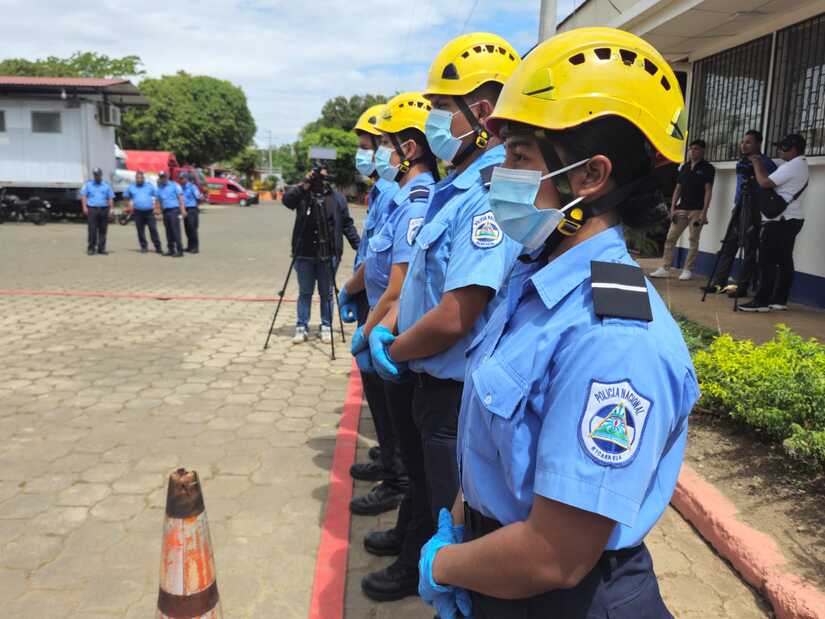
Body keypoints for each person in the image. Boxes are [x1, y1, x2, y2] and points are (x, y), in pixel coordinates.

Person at [416, 28, 700, 619]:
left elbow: (555, 557)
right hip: (502, 569)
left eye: (519, 155)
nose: (499, 174)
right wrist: (465, 524)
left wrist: (441, 565)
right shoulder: (534, 280)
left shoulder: (614, 337)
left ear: (590, 177)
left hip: (566, 598)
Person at [366, 32, 522, 601]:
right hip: (429, 377)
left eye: (439, 107)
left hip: (451, 390)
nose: (432, 120)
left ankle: (429, 577)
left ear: (479, 113)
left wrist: (393, 347)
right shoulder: (457, 186)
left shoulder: (486, 194)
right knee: (426, 487)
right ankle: (414, 557)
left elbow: (457, 314)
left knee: (444, 511)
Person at [344, 92, 441, 601]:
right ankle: (408, 535)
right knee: (409, 451)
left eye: (380, 145)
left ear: (405, 147)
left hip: (402, 339)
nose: (374, 154)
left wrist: (369, 334)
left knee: (416, 461)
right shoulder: (399, 195)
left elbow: (403, 289)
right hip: (390, 330)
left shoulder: (419, 202)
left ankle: (414, 558)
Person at [338, 104, 407, 517]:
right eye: (370, 146)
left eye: (378, 145)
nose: (371, 154)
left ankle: (396, 478)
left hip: (386, 308)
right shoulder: (381, 189)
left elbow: (393, 268)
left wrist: (353, 291)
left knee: (389, 399)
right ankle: (389, 459)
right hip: (374, 299)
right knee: (379, 403)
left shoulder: (403, 195)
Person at [282, 166, 359, 343]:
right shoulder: (303, 195)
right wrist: (304, 184)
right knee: (305, 292)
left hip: (329, 253)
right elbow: (287, 201)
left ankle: (326, 325)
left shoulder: (337, 199)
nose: (319, 179)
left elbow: (347, 224)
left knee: (327, 293)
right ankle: (302, 326)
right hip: (304, 253)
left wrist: (359, 246)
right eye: (316, 175)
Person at [701, 130, 776, 297]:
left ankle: (742, 287)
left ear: (758, 144)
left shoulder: (766, 163)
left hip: (755, 209)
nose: (744, 145)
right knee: (729, 245)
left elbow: (768, 185)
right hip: (739, 206)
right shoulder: (741, 162)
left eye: (748, 142)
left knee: (749, 248)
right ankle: (719, 283)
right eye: (743, 141)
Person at [739, 133, 809, 312]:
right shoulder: (800, 164)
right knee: (784, 259)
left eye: (782, 147)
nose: (779, 150)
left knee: (766, 260)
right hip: (792, 218)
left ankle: (761, 301)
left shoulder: (793, 165)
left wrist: (756, 162)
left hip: (780, 219)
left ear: (792, 149)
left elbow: (764, 182)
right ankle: (779, 300)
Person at [649, 139, 715, 281]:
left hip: (696, 211)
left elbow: (708, 190)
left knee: (693, 240)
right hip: (681, 209)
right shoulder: (684, 167)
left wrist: (704, 212)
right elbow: (678, 188)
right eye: (691, 149)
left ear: (703, 151)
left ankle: (687, 270)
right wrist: (672, 208)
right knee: (670, 238)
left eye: (696, 149)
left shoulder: (708, 168)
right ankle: (665, 268)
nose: (692, 151)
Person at [124, 170, 162, 254]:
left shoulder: (149, 186)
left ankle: (158, 247)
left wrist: (157, 207)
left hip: (149, 212)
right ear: (135, 178)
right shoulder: (131, 187)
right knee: (140, 230)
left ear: (143, 178)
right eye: (137, 178)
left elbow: (157, 196)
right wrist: (128, 206)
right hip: (137, 212)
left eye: (141, 178)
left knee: (153, 229)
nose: (139, 179)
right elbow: (126, 196)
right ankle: (144, 246)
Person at [80, 167, 115, 255]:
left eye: (98, 175)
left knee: (103, 230)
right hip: (92, 209)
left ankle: (101, 248)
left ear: (101, 175)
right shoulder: (88, 185)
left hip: (104, 209)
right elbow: (84, 196)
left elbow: (110, 198)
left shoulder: (106, 185)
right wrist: (84, 207)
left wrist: (111, 209)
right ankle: (91, 248)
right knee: (92, 229)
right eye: (95, 175)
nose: (96, 176)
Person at [156, 171, 187, 257]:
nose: (163, 178)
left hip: (174, 210)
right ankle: (171, 249)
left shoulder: (174, 185)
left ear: (167, 176)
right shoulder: (159, 188)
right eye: (161, 177)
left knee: (175, 231)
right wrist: (158, 211)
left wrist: (183, 210)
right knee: (168, 231)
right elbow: (158, 200)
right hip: (165, 211)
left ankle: (180, 251)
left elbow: (180, 198)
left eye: (164, 176)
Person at [180, 173, 203, 254]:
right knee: (187, 229)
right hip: (185, 210)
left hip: (192, 209)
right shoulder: (181, 188)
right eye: (180, 178)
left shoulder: (192, 187)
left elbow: (198, 197)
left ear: (186, 179)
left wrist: (197, 206)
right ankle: (189, 246)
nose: (181, 180)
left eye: (182, 178)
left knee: (192, 229)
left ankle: (195, 247)